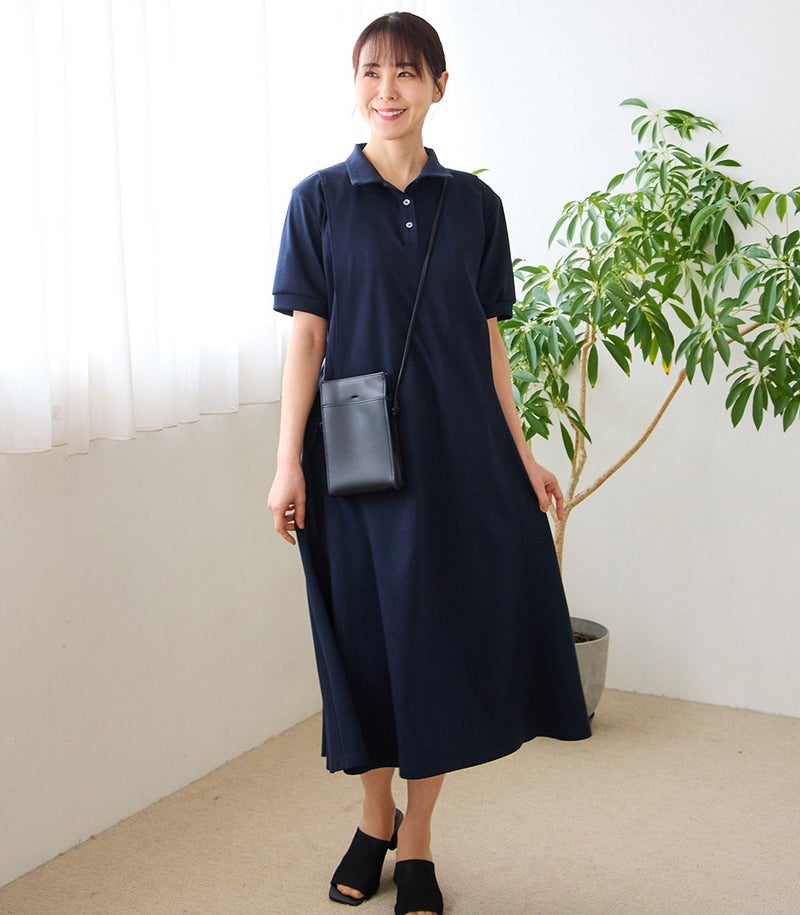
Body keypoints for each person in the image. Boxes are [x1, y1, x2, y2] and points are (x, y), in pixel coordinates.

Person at [267, 12, 591, 915]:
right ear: (355, 86)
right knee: (366, 645)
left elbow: (489, 345)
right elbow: (307, 340)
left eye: (408, 73)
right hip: (356, 463)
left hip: (458, 457)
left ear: (439, 87)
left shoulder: (476, 207)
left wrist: (523, 454)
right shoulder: (318, 200)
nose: (388, 90)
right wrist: (286, 462)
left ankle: (417, 839)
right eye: (372, 72)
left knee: (436, 645)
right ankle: (375, 816)